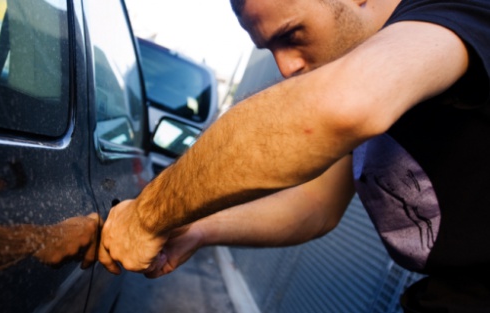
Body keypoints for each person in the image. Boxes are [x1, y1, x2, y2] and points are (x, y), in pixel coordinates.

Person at [98, 0, 490, 311]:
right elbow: (314, 205)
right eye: (270, 49)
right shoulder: (361, 67)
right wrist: (198, 229)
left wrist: (147, 216)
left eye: (292, 34)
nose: (286, 67)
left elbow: (342, 104)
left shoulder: (459, 12)